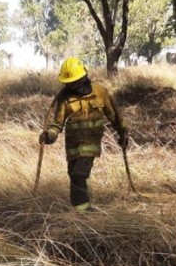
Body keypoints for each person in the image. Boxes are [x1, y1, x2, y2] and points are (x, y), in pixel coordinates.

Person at [39, 57, 128, 212]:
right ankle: (82, 208)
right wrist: (49, 136)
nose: (71, 86)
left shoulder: (100, 92)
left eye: (74, 82)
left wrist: (122, 132)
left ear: (83, 77)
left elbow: (114, 115)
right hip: (73, 146)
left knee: (79, 174)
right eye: (68, 83)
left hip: (90, 143)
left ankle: (83, 213)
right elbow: (57, 124)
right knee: (74, 176)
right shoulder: (64, 98)